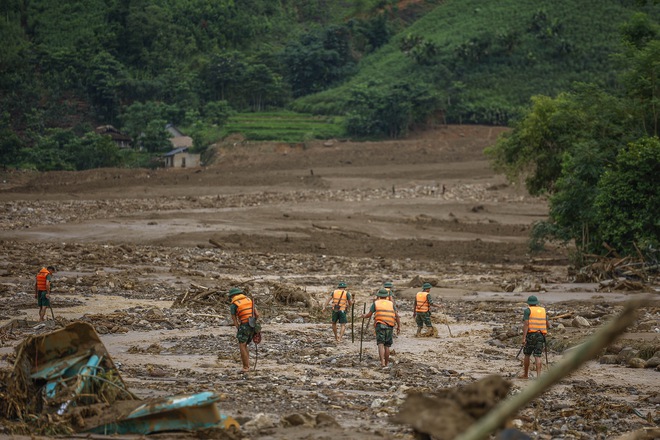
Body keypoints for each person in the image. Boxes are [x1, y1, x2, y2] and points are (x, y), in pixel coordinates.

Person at [361, 289, 401, 367]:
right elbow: (396, 316)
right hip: (390, 325)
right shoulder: (391, 303)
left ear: (379, 296)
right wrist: (399, 326)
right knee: (387, 346)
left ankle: (382, 363)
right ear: (387, 296)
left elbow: (369, 315)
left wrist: (363, 316)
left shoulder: (376, 303)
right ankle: (386, 364)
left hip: (380, 325)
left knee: (380, 344)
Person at [227, 287, 260, 372]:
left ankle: (246, 367)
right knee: (245, 345)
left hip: (244, 325)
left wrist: (239, 328)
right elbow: (257, 314)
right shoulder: (249, 300)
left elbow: (234, 320)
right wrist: (253, 322)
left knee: (242, 345)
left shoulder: (234, 304)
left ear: (233, 296)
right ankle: (247, 365)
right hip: (253, 325)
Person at [520, 295, 549, 379]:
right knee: (538, 356)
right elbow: (547, 323)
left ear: (528, 303)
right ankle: (539, 377)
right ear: (537, 303)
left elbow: (526, 324)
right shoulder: (543, 310)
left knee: (527, 354)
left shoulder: (527, 310)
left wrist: (524, 338)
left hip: (531, 335)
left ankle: (525, 375)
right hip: (541, 335)